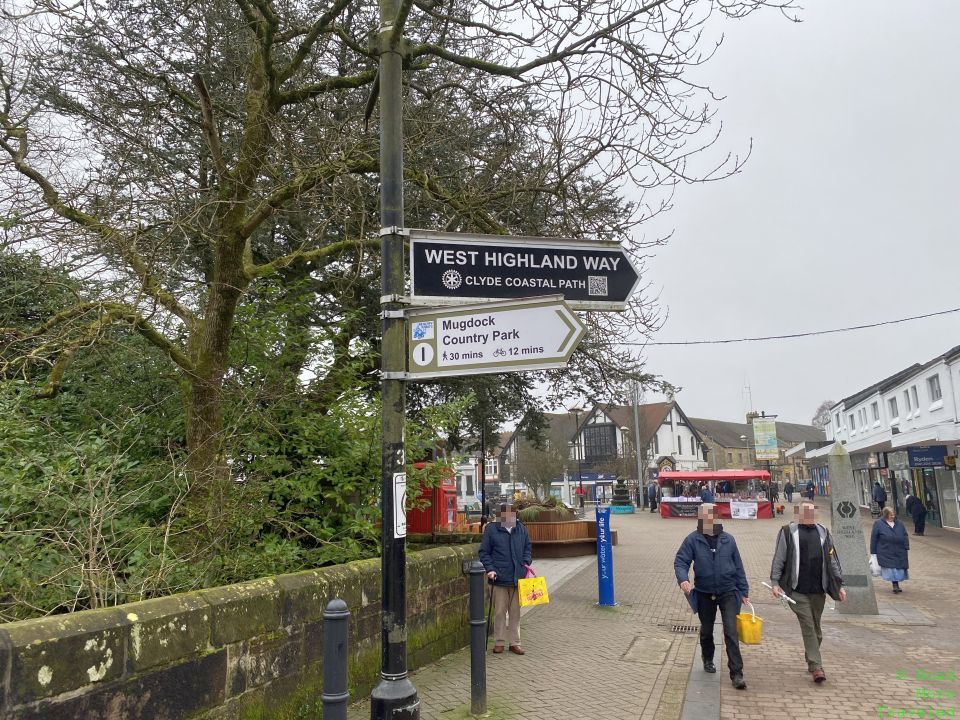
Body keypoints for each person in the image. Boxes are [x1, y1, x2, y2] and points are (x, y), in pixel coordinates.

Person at [674, 503, 749, 690]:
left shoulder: (728, 540)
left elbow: (738, 566)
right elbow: (681, 561)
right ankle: (707, 658)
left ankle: (737, 673)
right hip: (704, 592)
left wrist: (744, 590)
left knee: (731, 631)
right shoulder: (692, 540)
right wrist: (683, 579)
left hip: (729, 591)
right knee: (707, 630)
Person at [769, 502, 847, 684]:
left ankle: (811, 656)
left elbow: (832, 560)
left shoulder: (823, 532)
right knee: (808, 626)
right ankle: (816, 666)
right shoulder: (788, 532)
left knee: (817, 630)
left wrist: (839, 585)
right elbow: (779, 557)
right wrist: (775, 582)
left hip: (818, 590)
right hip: (796, 591)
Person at [479, 502, 533, 655]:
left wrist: (526, 562)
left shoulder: (521, 528)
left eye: (512, 514)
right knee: (500, 612)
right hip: (499, 578)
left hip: (518, 577)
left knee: (515, 612)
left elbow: (528, 547)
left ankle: (515, 642)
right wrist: (490, 569)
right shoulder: (491, 529)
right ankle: (499, 641)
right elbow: (484, 552)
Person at [870, 506, 909, 593]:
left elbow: (905, 535)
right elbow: (874, 538)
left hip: (899, 550)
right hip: (885, 550)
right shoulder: (878, 523)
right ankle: (895, 585)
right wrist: (873, 552)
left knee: (898, 568)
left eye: (893, 515)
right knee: (892, 568)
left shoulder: (900, 523)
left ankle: (897, 583)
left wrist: (906, 546)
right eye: (890, 515)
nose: (892, 517)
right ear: (885, 515)